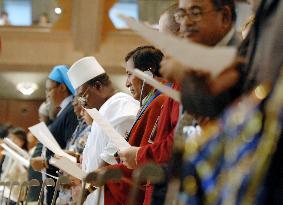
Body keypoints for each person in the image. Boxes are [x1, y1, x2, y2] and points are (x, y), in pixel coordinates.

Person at [67, 56, 139, 205]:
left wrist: (86, 189)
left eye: (82, 96)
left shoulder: (121, 104)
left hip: (110, 196)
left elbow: (117, 151)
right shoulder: (102, 110)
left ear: (98, 86)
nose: (82, 104)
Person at [103, 46, 167, 205]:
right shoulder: (150, 102)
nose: (126, 83)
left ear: (148, 73)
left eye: (129, 74)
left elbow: (147, 160)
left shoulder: (160, 101)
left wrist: (106, 172)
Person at [30, 65, 78, 204]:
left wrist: (46, 162)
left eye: (49, 89)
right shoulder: (63, 112)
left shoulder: (70, 112)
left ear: (62, 87)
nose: (47, 95)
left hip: (61, 183)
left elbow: (72, 151)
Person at [1, 128, 28, 204]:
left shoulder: (24, 156)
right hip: (5, 190)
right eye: (10, 138)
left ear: (22, 141)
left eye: (14, 139)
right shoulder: (9, 153)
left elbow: (23, 177)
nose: (11, 141)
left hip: (15, 195)